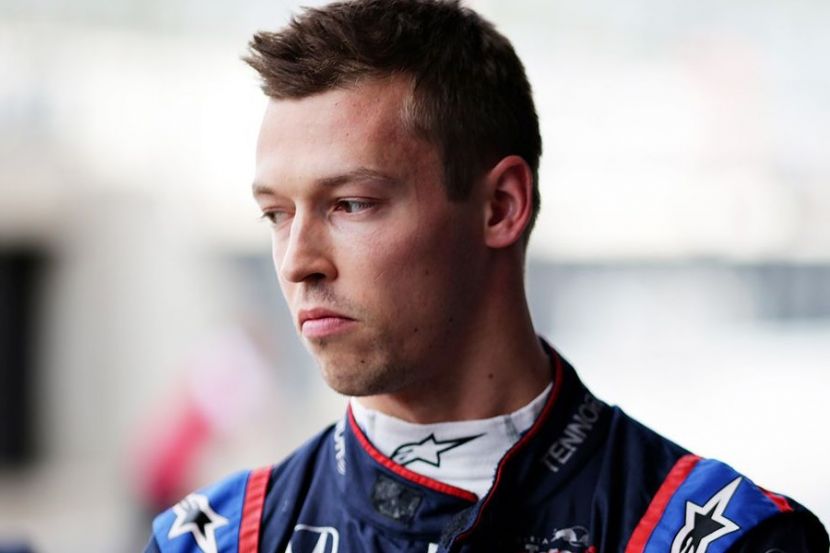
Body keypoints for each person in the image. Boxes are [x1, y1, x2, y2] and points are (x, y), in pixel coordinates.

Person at [144, 1, 828, 551]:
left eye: (351, 203)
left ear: (500, 206)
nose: (298, 261)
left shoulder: (724, 537)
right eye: (276, 214)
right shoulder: (212, 538)